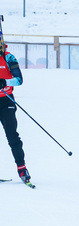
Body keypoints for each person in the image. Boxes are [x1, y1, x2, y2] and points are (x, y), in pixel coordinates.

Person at [0, 31, 29, 183]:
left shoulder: (9, 57)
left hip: (6, 102)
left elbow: (19, 80)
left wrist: (5, 82)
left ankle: (22, 169)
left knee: (12, 136)